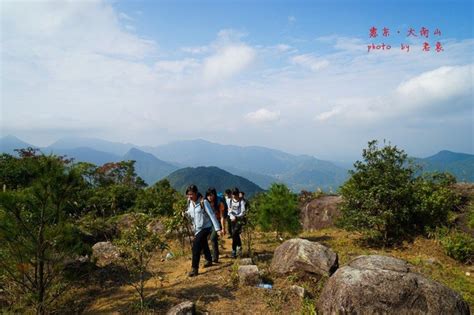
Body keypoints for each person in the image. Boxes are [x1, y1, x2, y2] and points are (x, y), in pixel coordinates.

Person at [185, 185, 222, 277]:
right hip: (197, 228)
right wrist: (184, 214)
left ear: (196, 193)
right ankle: (209, 259)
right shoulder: (189, 202)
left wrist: (217, 229)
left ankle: (194, 268)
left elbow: (212, 215)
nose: (190, 196)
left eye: (191, 194)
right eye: (188, 194)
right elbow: (190, 213)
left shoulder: (204, 202)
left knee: (196, 246)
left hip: (206, 227)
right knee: (203, 243)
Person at [206, 188, 226, 263]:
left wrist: (223, 228)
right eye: (208, 195)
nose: (209, 197)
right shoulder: (205, 203)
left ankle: (215, 257)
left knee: (213, 238)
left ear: (214, 195)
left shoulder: (219, 203)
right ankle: (209, 257)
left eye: (211, 195)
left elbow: (222, 217)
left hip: (217, 222)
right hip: (208, 223)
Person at [228, 187, 246, 258]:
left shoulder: (241, 202)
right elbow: (229, 210)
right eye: (233, 194)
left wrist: (237, 217)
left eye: (235, 194)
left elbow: (243, 211)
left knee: (235, 233)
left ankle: (234, 250)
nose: (234, 196)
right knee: (234, 235)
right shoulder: (230, 201)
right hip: (232, 219)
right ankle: (238, 247)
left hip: (239, 220)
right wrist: (232, 216)